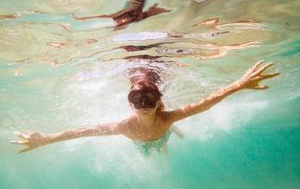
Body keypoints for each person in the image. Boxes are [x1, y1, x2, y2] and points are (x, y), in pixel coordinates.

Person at [11, 60, 279, 154]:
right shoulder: (124, 127)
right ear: (128, 103)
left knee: (163, 143)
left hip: (162, 132)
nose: (143, 105)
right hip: (141, 141)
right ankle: (167, 140)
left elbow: (205, 103)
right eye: (137, 100)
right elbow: (81, 131)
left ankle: (170, 138)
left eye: (149, 100)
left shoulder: (168, 116)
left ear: (159, 101)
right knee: (150, 149)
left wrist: (239, 84)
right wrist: (44, 140)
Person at [72, 0, 172, 29]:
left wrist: (84, 19)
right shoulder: (134, 19)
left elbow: (102, 16)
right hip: (137, 6)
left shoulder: (116, 18)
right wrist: (164, 10)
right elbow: (151, 13)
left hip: (135, 2)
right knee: (148, 2)